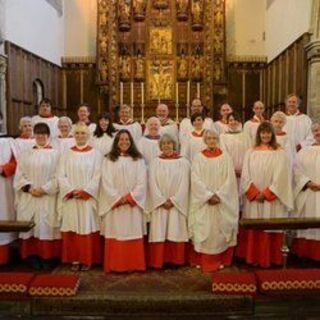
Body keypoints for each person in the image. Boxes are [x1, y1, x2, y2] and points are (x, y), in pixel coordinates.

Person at [237, 122, 293, 268]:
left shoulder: (279, 152)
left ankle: (272, 258)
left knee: (271, 225)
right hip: (254, 198)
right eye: (262, 133)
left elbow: (281, 176)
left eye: (268, 133)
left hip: (271, 199)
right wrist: (254, 192)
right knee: (255, 224)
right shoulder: (251, 151)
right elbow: (245, 174)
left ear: (272, 135)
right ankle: (253, 257)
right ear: (258, 134)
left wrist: (267, 193)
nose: (265, 135)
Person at [188, 129, 239, 272]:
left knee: (219, 230)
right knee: (204, 229)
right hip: (204, 202)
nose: (211, 141)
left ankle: (220, 260)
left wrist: (219, 195)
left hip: (221, 201)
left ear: (218, 140)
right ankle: (203, 260)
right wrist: (207, 196)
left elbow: (230, 180)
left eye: (214, 138)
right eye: (209, 138)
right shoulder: (198, 157)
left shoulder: (225, 157)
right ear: (205, 140)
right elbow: (195, 179)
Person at [99, 130, 147, 273]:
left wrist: (130, 197)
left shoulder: (138, 159)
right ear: (116, 142)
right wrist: (117, 198)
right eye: (121, 139)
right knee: (116, 232)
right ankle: (115, 265)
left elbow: (142, 181)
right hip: (115, 205)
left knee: (132, 232)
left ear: (131, 141)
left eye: (127, 139)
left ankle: (134, 264)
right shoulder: (108, 159)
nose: (124, 142)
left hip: (132, 205)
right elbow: (105, 181)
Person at [14, 123, 61, 269]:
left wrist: (45, 189)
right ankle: (32, 255)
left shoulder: (56, 154)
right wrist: (29, 188)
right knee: (31, 224)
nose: (41, 136)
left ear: (48, 135)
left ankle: (48, 257)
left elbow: (59, 176)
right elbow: (19, 174)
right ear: (34, 135)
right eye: (38, 133)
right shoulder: (26, 154)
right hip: (30, 196)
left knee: (46, 225)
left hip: (47, 196)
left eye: (44, 133)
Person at [58, 123, 103, 271]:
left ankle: (88, 259)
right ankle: (75, 259)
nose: (80, 136)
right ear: (73, 135)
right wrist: (71, 191)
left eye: (83, 133)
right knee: (73, 227)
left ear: (88, 135)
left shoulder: (96, 154)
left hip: (87, 198)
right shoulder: (66, 154)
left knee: (87, 227)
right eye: (77, 133)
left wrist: (86, 191)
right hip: (71, 198)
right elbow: (60, 175)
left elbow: (98, 175)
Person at [147, 134, 190, 269]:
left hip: (176, 204)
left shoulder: (183, 162)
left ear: (174, 145)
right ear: (160, 146)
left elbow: (185, 183)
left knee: (176, 229)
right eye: (164, 144)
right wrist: (160, 200)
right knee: (159, 231)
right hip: (159, 204)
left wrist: (174, 200)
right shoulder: (154, 162)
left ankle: (175, 260)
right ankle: (158, 261)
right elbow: (151, 183)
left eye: (169, 143)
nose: (167, 146)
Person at [291, 122, 320, 261]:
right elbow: (296, 170)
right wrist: (307, 182)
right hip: (308, 192)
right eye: (315, 130)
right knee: (307, 222)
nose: (318, 132)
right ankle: (306, 254)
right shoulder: (304, 151)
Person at [220, 112, 250, 189]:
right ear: (227, 122)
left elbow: (249, 153)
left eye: (235, 120)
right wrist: (232, 169)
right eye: (230, 120)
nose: (233, 122)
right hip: (229, 171)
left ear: (239, 121)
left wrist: (244, 169)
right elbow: (223, 154)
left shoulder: (246, 136)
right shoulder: (223, 137)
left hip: (244, 171)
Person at [0, 138, 17, 265]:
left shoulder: (7, 142)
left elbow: (15, 162)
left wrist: (3, 169)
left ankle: (3, 258)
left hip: (3, 186)